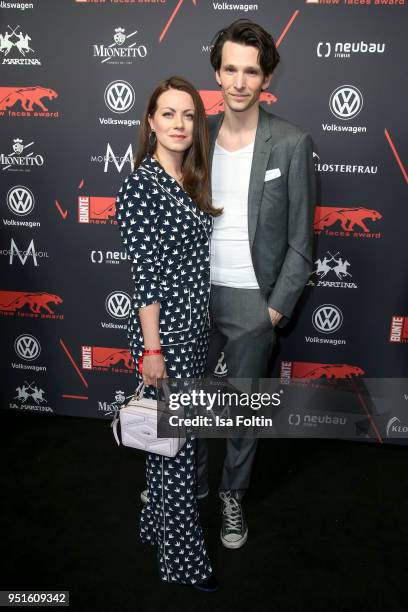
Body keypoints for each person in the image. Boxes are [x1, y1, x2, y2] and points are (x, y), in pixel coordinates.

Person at [196, 20, 316, 549]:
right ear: (217, 73)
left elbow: (300, 242)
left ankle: (232, 496)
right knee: (187, 403)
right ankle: (184, 485)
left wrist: (274, 309)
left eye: (251, 71)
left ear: (265, 76)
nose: (239, 82)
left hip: (254, 303)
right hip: (195, 295)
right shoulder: (192, 137)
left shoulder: (290, 142)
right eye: (230, 70)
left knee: (242, 411)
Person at [115, 76, 221, 590]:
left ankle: (154, 528)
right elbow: (145, 276)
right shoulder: (140, 184)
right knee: (177, 454)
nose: (179, 124)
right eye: (168, 114)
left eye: (188, 115)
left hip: (192, 334)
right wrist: (152, 348)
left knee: (172, 443)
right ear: (150, 122)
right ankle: (184, 565)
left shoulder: (189, 181)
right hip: (166, 341)